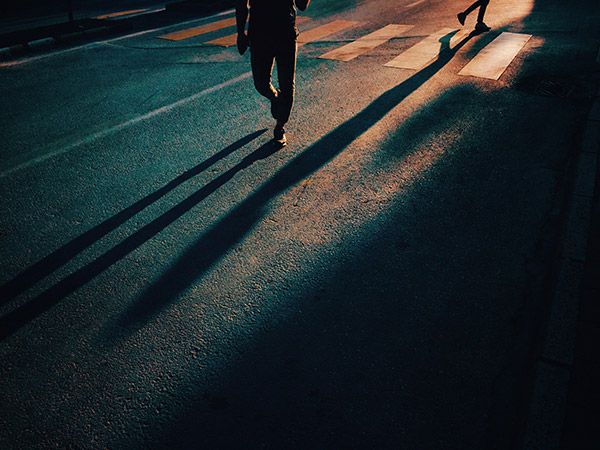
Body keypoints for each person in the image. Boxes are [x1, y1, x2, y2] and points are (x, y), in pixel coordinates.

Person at [236, 0, 311, 147]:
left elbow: (302, 5)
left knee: (287, 85)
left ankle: (280, 128)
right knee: (261, 84)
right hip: (259, 36)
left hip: (286, 35)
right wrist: (240, 33)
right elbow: (241, 3)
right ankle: (275, 98)